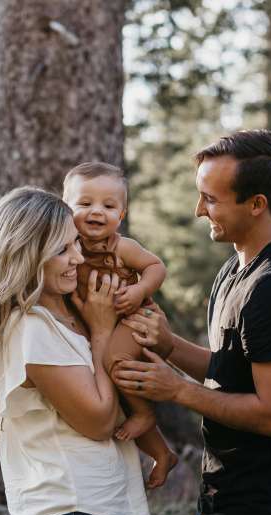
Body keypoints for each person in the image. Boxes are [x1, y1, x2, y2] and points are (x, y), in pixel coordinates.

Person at [113, 130, 271, 515]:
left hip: (269, 504)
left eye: (211, 199)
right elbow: (231, 371)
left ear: (257, 204)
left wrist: (177, 391)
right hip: (225, 494)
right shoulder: (234, 269)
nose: (199, 210)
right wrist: (169, 345)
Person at [0, 187, 150, 515]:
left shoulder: (60, 318)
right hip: (70, 513)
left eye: (75, 243)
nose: (77, 257)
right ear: (27, 256)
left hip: (92, 509)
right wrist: (103, 330)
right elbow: (98, 421)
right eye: (61, 250)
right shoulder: (30, 329)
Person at [63, 161, 177, 488]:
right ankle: (162, 454)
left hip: (137, 320)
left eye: (109, 206)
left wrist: (140, 289)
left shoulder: (122, 247)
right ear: (66, 208)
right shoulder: (67, 249)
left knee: (115, 364)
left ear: (121, 216)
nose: (96, 211)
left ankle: (146, 415)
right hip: (109, 327)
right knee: (120, 397)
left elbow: (156, 266)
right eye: (84, 204)